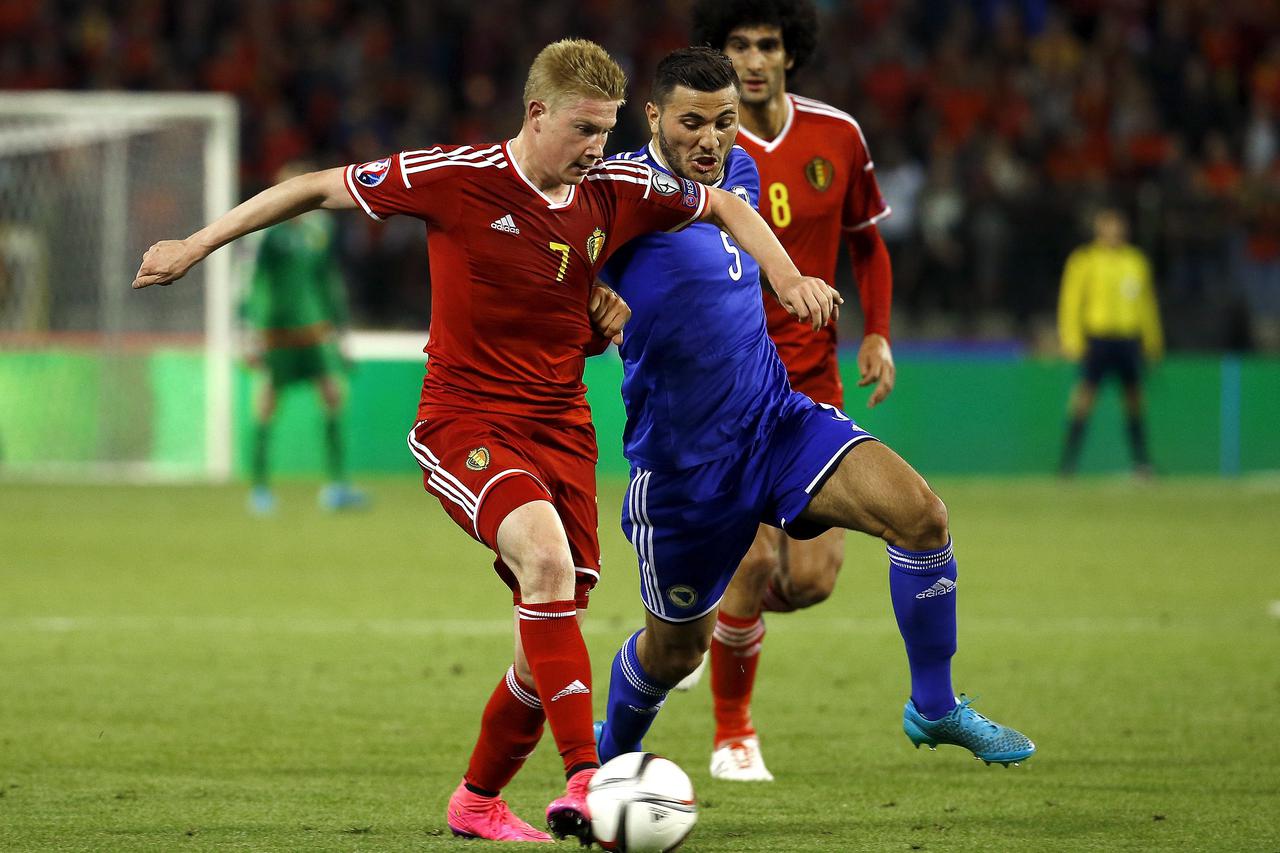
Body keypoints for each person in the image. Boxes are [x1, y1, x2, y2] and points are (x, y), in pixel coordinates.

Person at [132, 39, 839, 844]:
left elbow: (723, 207)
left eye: (607, 132)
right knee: (543, 560)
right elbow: (314, 188)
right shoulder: (455, 177)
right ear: (537, 115)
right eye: (582, 131)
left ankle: (475, 800)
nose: (596, 151)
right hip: (466, 420)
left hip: (563, 429)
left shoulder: (612, 183)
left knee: (542, 654)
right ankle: (588, 777)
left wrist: (781, 279)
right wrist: (195, 245)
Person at [594, 46, 1034, 780]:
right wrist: (590, 305)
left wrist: (793, 279)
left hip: (775, 421)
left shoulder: (736, 170)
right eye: (692, 122)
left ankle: (934, 702)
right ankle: (608, 760)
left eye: (726, 122)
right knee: (674, 651)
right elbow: (555, 271)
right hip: (684, 470)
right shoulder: (611, 191)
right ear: (652, 117)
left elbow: (740, 226)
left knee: (921, 515)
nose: (711, 140)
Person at [685, 0, 899, 781]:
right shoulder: (698, 142)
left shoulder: (838, 135)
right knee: (748, 562)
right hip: (730, 386)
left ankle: (698, 630)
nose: (751, 58)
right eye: (736, 44)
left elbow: (866, 242)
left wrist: (876, 330)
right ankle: (733, 733)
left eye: (766, 44)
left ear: (790, 53)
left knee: (809, 581)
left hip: (814, 385)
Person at [241, 162, 365, 514]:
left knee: (333, 396)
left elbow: (328, 280)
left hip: (314, 329)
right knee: (266, 403)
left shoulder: (320, 230)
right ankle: (260, 488)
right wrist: (252, 333)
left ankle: (337, 485)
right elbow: (256, 284)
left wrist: (340, 330)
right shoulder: (267, 234)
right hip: (278, 333)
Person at [1058, 206, 1164, 476]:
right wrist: (1071, 338)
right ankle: (1067, 464)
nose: (1114, 232)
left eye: (1118, 227)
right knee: (1084, 399)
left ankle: (1142, 463)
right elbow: (1071, 301)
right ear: (1099, 229)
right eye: (1109, 226)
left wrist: (1152, 340)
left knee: (1134, 401)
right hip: (1098, 340)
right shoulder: (1085, 260)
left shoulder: (1135, 261)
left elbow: (1146, 303)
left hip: (1128, 340)